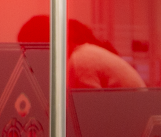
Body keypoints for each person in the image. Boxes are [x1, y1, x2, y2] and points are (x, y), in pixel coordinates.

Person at [16, 16, 146, 90]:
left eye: (28, 53)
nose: (28, 61)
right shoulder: (84, 54)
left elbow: (88, 118)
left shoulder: (80, 61)